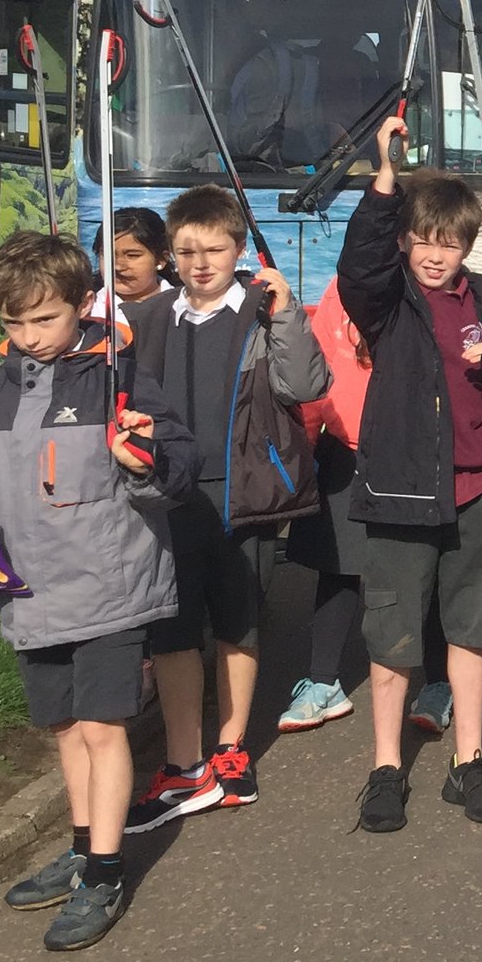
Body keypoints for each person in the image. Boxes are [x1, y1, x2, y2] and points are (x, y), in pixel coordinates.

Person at [0, 232, 198, 951]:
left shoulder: (118, 375)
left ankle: (106, 869)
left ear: (84, 305)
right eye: (15, 323)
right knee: (64, 728)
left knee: (101, 727)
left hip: (109, 583)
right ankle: (83, 841)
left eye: (44, 320)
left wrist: (142, 456)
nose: (29, 337)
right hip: (30, 589)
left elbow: (179, 462)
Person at [337, 117, 482, 833]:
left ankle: (468, 761)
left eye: (450, 241)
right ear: (406, 239)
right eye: (424, 239)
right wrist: (386, 177)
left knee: (472, 630)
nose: (435, 254)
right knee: (391, 635)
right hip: (400, 489)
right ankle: (386, 767)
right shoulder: (390, 302)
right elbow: (359, 267)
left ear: (467, 242)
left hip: (480, 485)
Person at [122, 187, 327, 831]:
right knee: (176, 629)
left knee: (238, 622)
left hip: (246, 493)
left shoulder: (261, 312)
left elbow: (307, 385)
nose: (200, 263)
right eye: (185, 251)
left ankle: (231, 748)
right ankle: (183, 762)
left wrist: (288, 314)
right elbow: (129, 397)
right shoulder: (151, 318)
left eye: (214, 249)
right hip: (170, 494)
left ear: (238, 248)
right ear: (168, 255)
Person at [87, 207, 172, 319]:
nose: (118, 266)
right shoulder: (86, 310)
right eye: (108, 255)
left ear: (161, 259)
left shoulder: (184, 307)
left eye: (132, 255)